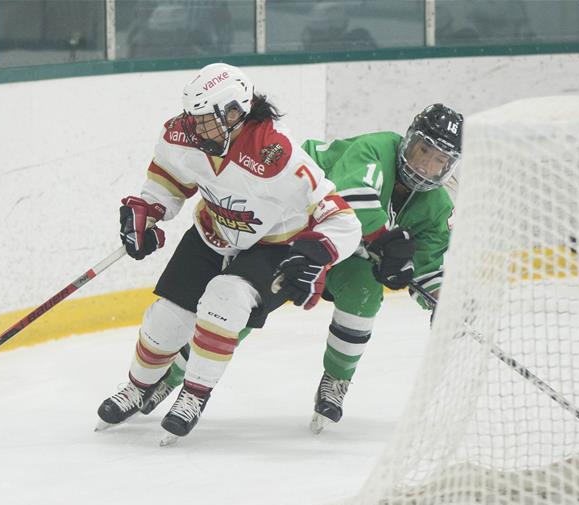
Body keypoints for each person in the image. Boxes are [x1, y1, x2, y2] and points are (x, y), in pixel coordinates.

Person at [135, 104, 464, 434]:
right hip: (299, 229)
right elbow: (351, 197)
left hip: (346, 250)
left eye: (439, 160)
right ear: (408, 140)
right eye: (423, 150)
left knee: (364, 294)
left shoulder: (437, 209)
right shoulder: (376, 147)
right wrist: (383, 242)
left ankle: (335, 381)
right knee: (243, 306)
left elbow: (427, 268)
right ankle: (172, 375)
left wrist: (441, 300)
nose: (425, 165)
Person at [95, 63, 362, 444]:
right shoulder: (182, 134)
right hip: (212, 232)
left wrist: (317, 253)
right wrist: (147, 210)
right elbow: (169, 179)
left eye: (205, 119)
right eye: (193, 117)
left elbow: (342, 219)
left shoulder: (278, 155)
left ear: (236, 113)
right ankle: (138, 387)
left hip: (273, 248)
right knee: (165, 321)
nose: (193, 127)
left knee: (225, 301)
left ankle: (193, 394)